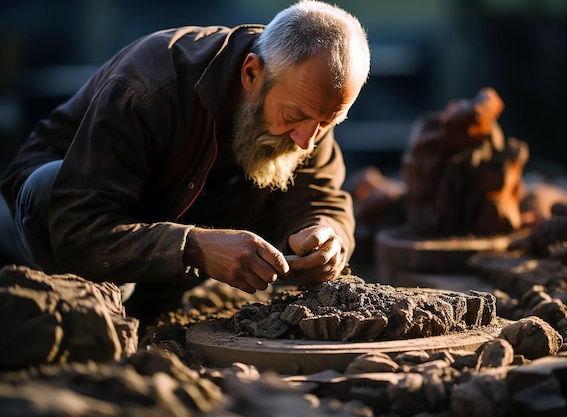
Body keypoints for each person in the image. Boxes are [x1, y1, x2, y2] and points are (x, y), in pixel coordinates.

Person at [1, 0, 370, 324]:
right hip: (71, 222)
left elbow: (322, 197)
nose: (308, 140)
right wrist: (193, 246)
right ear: (252, 73)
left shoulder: (308, 107)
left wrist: (325, 234)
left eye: (328, 123)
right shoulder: (150, 84)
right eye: (296, 116)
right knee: (48, 187)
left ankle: (150, 295)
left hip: (170, 234)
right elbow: (77, 225)